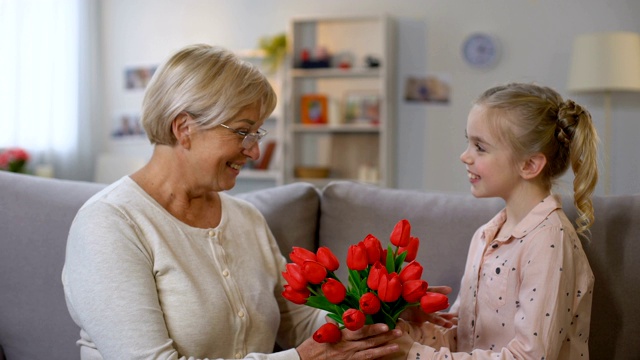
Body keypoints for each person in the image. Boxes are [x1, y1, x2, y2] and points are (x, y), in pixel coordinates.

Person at [62, 44, 402, 360]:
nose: (254, 150)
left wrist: (385, 313)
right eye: (242, 131)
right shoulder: (109, 224)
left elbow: (299, 321)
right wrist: (300, 359)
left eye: (257, 133)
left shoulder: (245, 219)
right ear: (184, 128)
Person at [390, 83, 599, 359]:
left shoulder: (549, 239)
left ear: (529, 165)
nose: (465, 156)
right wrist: (403, 328)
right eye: (468, 142)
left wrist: (414, 355)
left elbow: (529, 356)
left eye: (480, 147)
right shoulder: (485, 236)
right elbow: (464, 338)